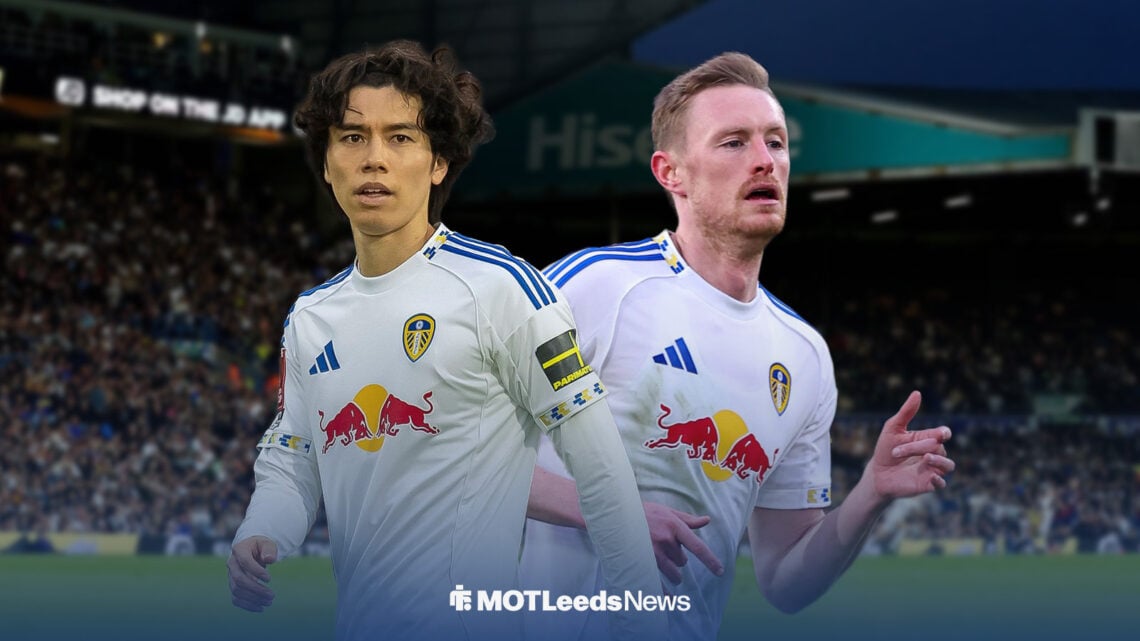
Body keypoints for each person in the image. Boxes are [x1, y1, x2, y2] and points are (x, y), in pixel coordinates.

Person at [226, 41, 666, 641]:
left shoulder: (503, 289)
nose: (373, 159)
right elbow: (294, 453)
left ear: (437, 163)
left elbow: (596, 458)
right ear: (326, 163)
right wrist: (264, 530)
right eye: (352, 138)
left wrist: (636, 602)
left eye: (400, 137)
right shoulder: (311, 316)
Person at [520, 52, 956, 640]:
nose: (764, 161)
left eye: (776, 143)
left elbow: (786, 580)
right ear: (671, 172)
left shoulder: (804, 356)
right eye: (733, 143)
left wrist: (870, 494)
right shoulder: (596, 286)